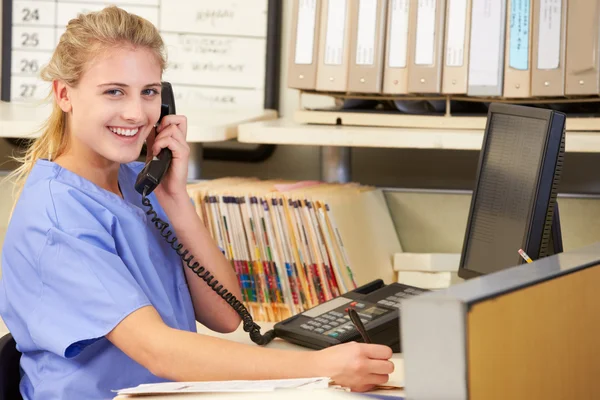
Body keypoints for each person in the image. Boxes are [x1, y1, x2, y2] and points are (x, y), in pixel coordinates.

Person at [0, 6, 394, 399]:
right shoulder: (57, 218)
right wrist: (322, 367)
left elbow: (224, 316)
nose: (136, 113)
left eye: (149, 92)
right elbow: (158, 351)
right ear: (64, 94)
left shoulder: (134, 187)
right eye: (114, 91)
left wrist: (176, 200)